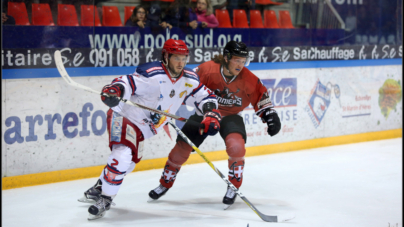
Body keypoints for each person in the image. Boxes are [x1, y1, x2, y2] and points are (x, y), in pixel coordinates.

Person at [78, 39, 222, 220]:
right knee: (122, 156)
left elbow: (206, 96)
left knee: (128, 163)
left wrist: (210, 114)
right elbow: (126, 82)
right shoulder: (152, 75)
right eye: (176, 58)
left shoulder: (189, 79)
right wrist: (114, 91)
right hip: (124, 116)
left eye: (184, 58)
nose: (180, 63)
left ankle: (100, 186)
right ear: (166, 56)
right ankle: (105, 198)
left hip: (145, 128)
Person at [148, 41, 281, 210]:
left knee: (236, 147)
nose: (241, 65)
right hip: (204, 114)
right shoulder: (207, 70)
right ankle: (165, 184)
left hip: (231, 116)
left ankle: (233, 186)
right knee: (180, 149)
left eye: (243, 61)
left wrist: (269, 115)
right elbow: (185, 85)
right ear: (226, 58)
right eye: (237, 60)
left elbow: (261, 98)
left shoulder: (249, 79)